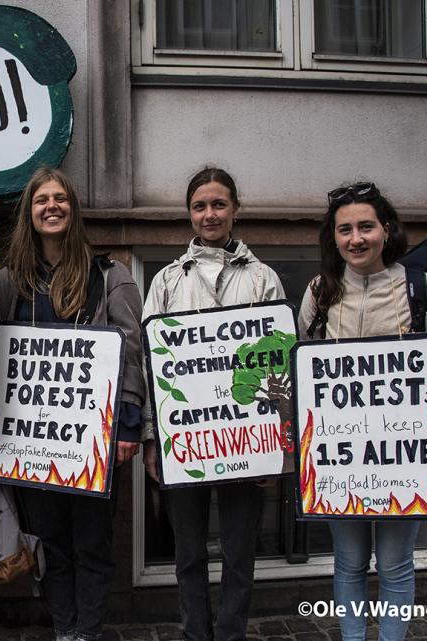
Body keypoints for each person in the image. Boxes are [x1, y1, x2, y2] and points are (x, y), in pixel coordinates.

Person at [298, 181, 427, 641]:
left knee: (395, 565)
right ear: (334, 238)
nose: (356, 238)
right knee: (348, 563)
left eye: (366, 226)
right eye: (344, 229)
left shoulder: (420, 289)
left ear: (386, 230)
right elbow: (301, 372)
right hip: (341, 460)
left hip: (402, 458)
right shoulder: (319, 293)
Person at [0, 167, 146, 641]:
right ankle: (65, 630)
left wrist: (127, 423)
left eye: (60, 198)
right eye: (42, 200)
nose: (51, 206)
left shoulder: (109, 275)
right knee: (51, 543)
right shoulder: (8, 280)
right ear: (30, 213)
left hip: (94, 442)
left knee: (92, 545)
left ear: (73, 208)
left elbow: (131, 352)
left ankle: (89, 631)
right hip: (32, 443)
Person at [142, 167, 285, 641]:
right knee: (189, 554)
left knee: (240, 552)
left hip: (246, 440)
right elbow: (148, 364)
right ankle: (195, 633)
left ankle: (230, 633)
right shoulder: (165, 281)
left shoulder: (264, 279)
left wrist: (277, 444)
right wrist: (151, 438)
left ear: (235, 210)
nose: (210, 214)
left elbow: (277, 367)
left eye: (219, 204)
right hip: (184, 438)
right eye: (200, 206)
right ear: (189, 214)